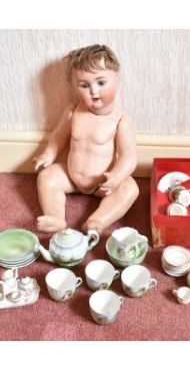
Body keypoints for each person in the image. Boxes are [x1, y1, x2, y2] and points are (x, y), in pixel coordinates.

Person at [33, 44, 139, 235]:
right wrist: (48, 154)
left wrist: (116, 177)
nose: (93, 91)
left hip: (103, 184)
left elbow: (128, 156)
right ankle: (55, 217)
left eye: (101, 82)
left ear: (117, 80)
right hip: (71, 177)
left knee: (130, 188)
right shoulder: (73, 112)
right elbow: (58, 137)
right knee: (47, 177)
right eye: (84, 85)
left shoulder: (120, 120)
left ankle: (97, 221)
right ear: (74, 87)